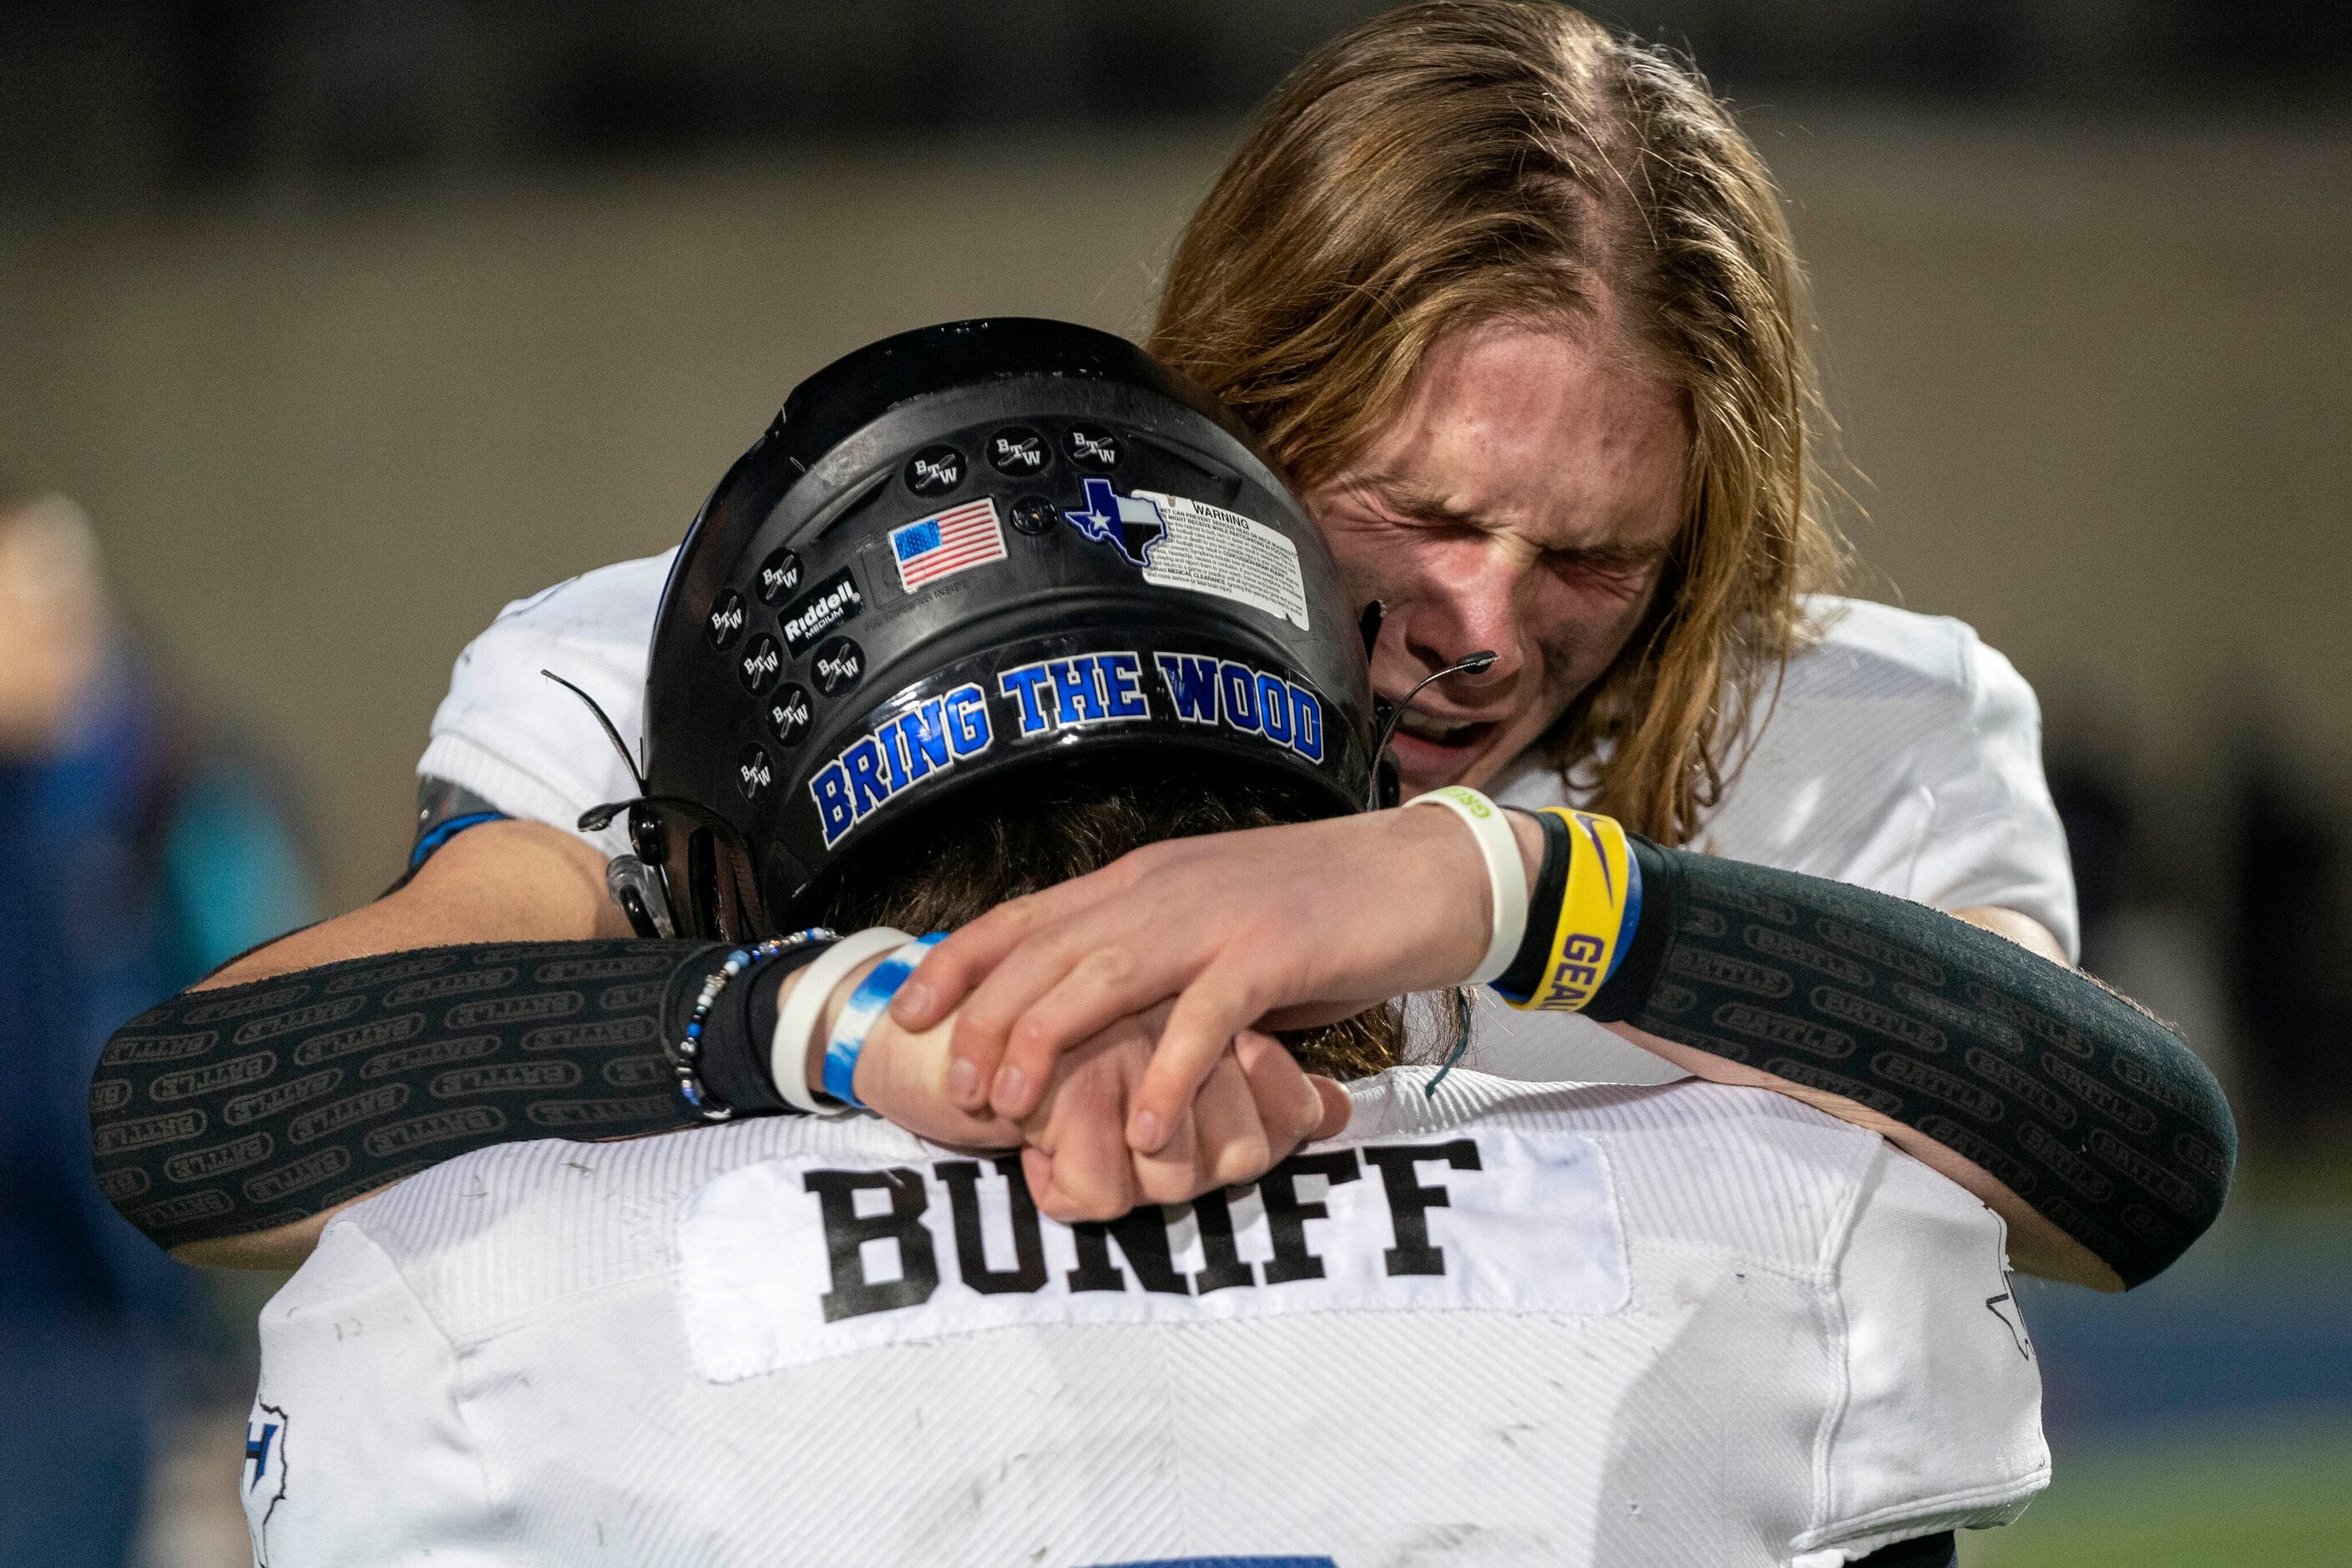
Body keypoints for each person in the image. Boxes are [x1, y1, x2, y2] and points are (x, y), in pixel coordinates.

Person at [97, 322, 2228, 1304]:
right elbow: (200, 1117)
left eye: (1599, 558)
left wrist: (1499, 887)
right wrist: (837, 1022)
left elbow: (2116, 1161)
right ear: (1230, 423)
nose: (1480, 630)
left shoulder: (1847, 708)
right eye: (1412, 513)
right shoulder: (788, 616)